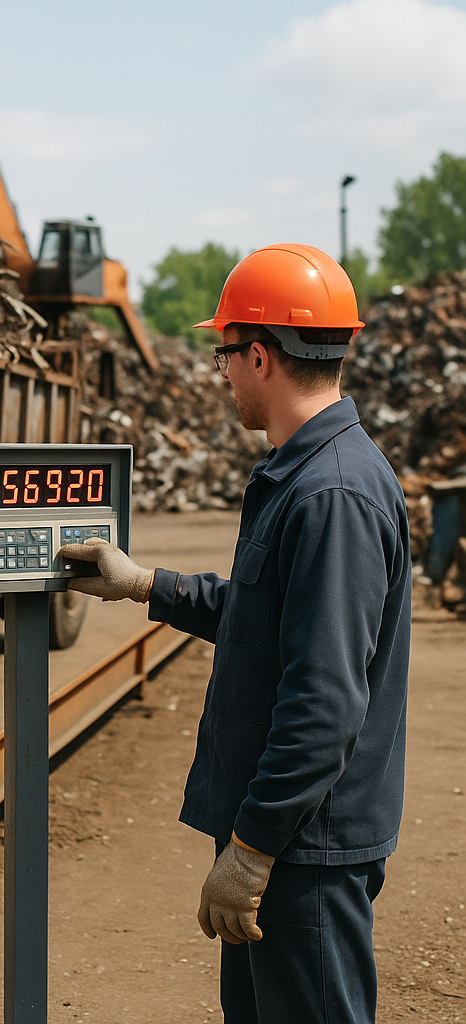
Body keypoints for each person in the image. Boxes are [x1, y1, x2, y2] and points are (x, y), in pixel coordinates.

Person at [59, 243, 411, 1024]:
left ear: (259, 356)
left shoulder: (333, 495)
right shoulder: (306, 474)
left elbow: (323, 701)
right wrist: (148, 584)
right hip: (289, 841)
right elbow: (270, 621)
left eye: (223, 355)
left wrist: (252, 851)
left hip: (300, 852)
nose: (220, 377)